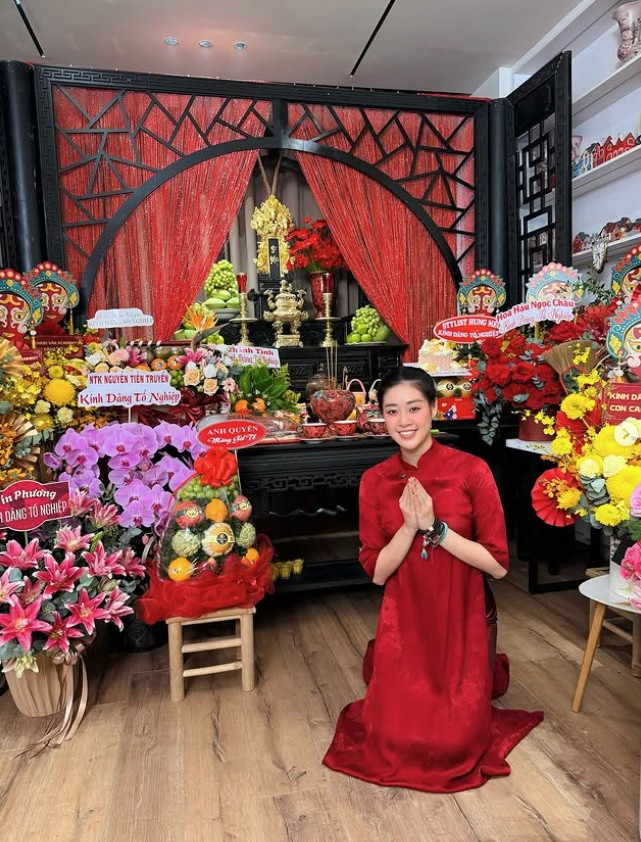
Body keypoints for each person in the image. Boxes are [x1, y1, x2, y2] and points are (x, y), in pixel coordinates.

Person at [323, 365, 543, 792]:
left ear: (435, 409)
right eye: (392, 411)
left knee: (452, 746)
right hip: (404, 622)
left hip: (461, 617)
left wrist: (436, 529)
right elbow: (377, 572)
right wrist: (409, 527)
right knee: (392, 741)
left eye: (414, 408)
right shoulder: (374, 481)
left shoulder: (471, 471)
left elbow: (498, 565)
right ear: (381, 417)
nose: (404, 421)